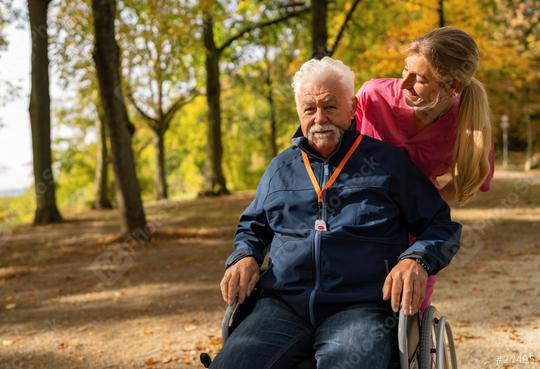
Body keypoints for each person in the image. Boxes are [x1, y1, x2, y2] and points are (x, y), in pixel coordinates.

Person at [210, 57, 462, 369]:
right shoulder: (280, 169)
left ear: (353, 107)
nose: (319, 118)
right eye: (309, 108)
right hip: (283, 305)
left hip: (361, 306)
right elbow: (253, 225)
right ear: (299, 112)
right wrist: (244, 254)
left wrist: (417, 259)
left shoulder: (387, 164)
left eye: (330, 107)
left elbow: (441, 226)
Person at [355, 26, 494, 315]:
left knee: (407, 312)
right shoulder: (373, 96)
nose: (404, 83)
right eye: (404, 70)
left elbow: (473, 175)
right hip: (363, 216)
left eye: (418, 79)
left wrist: (431, 206)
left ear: (452, 86)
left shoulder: (467, 121)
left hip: (419, 230)